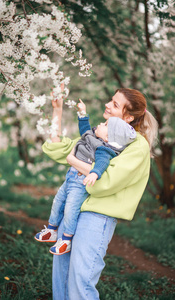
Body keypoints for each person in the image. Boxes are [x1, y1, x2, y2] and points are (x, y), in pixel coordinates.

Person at [41, 88, 158, 300]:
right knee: (62, 278)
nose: (107, 105)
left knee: (80, 283)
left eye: (115, 104)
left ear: (129, 117)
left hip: (96, 216)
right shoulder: (101, 134)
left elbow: (107, 180)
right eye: (111, 100)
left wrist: (75, 162)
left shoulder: (137, 145)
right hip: (74, 209)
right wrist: (57, 112)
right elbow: (59, 147)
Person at [34, 99, 136, 255]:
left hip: (80, 182)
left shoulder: (103, 149)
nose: (101, 124)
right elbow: (85, 130)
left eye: (105, 126)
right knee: (58, 201)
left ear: (109, 138)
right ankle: (51, 229)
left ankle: (66, 240)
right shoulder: (94, 138)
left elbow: (101, 163)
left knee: (70, 209)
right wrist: (82, 113)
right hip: (70, 177)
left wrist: (94, 173)